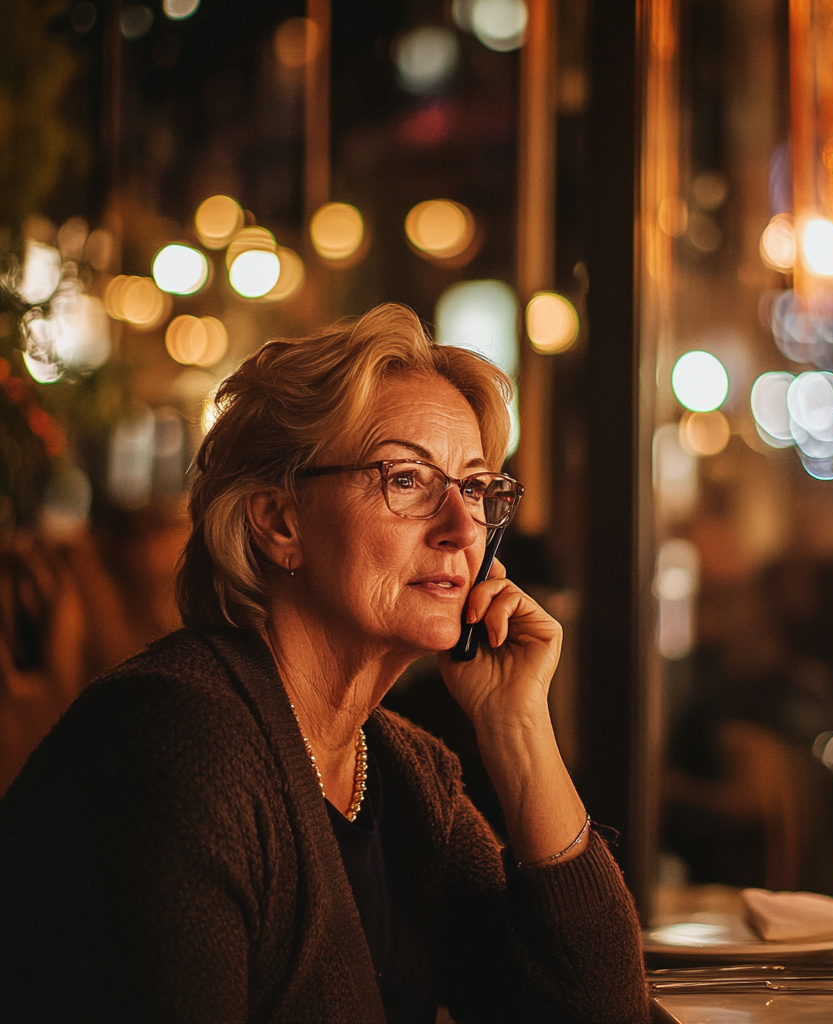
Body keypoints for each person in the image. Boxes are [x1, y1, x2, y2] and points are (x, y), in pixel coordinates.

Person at [0, 303, 649, 1024]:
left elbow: (599, 1013)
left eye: (474, 487)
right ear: (279, 522)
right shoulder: (173, 746)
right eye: (406, 480)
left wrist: (520, 727)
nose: (463, 527)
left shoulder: (402, 773)